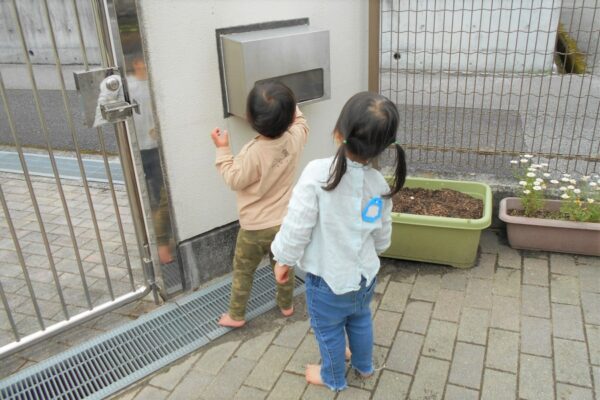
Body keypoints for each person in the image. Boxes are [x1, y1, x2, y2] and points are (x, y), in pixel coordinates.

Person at [271, 92, 406, 391]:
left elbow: (297, 226)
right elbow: (382, 234)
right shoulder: (378, 185)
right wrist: (376, 251)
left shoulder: (318, 174)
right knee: (359, 320)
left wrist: (283, 259)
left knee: (329, 331)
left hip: (327, 281)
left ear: (337, 133)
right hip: (364, 277)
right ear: (383, 147)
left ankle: (332, 376)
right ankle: (364, 366)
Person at [211, 82, 310, 328]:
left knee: (244, 272)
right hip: (283, 224)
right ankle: (286, 305)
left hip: (254, 228)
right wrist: (290, 107)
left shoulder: (253, 152)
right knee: (283, 266)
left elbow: (234, 179)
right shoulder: (295, 138)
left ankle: (236, 315)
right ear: (288, 119)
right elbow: (302, 122)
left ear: (249, 119)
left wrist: (223, 150)